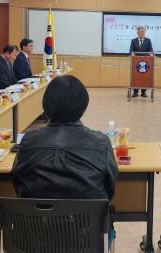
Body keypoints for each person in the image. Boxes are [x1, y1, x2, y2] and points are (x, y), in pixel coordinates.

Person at [12, 75, 118, 250]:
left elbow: (17, 184)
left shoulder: (28, 141)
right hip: (86, 238)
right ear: (83, 106)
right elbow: (109, 189)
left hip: (34, 238)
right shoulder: (101, 142)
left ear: (46, 105)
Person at [129, 26, 153, 98]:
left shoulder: (148, 40)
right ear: (137, 33)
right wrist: (132, 54)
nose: (142, 33)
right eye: (141, 32)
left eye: (143, 32)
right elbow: (131, 51)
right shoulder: (133, 41)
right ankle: (135, 92)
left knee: (145, 76)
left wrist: (151, 54)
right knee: (136, 76)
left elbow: (151, 50)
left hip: (146, 63)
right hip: (136, 63)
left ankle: (143, 92)